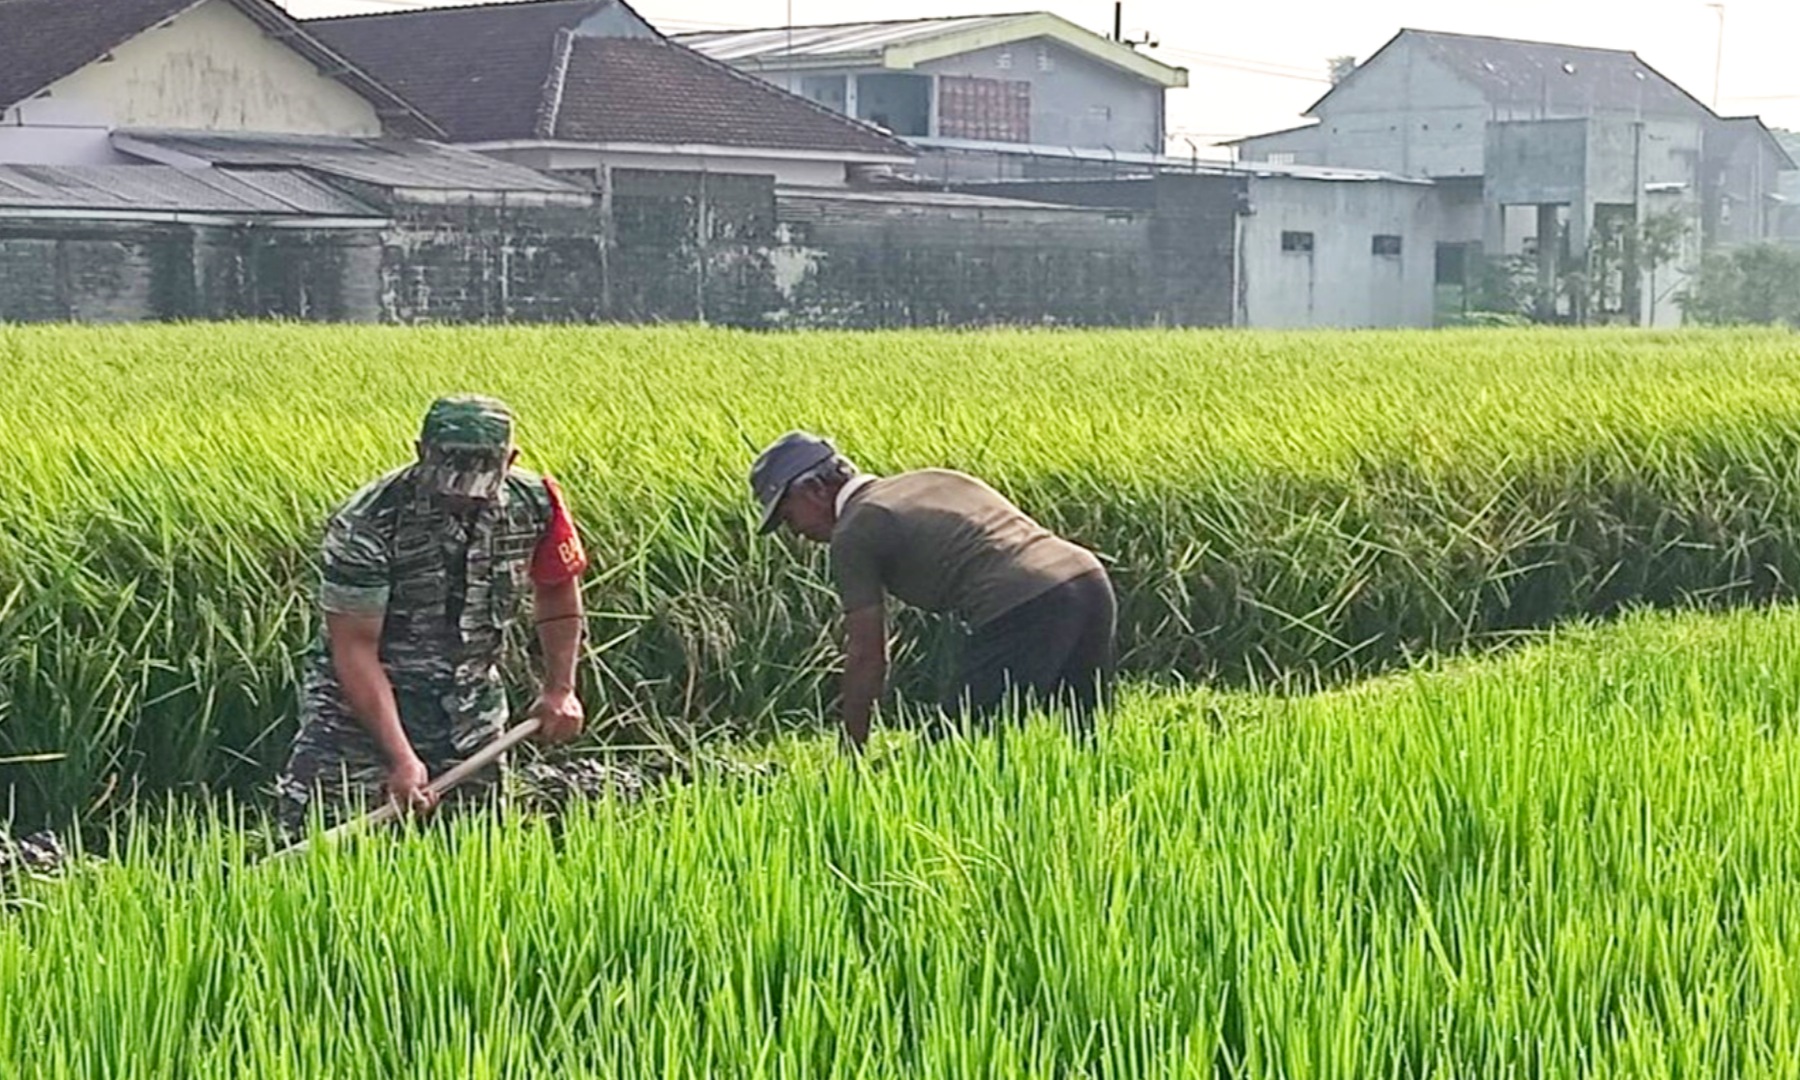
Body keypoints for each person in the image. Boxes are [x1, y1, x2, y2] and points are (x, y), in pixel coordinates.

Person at [277, 395, 589, 831]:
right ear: (420, 451)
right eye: (449, 474)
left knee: (468, 859)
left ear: (510, 459)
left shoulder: (536, 504)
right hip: (356, 723)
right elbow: (354, 648)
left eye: (480, 477)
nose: (462, 496)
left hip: (470, 715)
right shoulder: (367, 521)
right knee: (336, 859)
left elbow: (557, 591)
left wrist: (560, 689)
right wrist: (401, 757)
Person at [750, 431, 1115, 751]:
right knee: (1081, 737)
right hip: (1087, 577)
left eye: (788, 515)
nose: (793, 531)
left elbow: (866, 655)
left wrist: (852, 755)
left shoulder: (854, 531)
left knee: (949, 753)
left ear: (814, 489)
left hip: (1024, 604)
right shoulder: (931, 478)